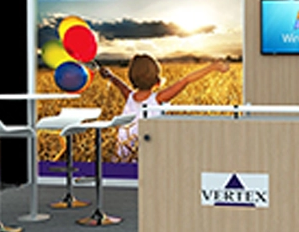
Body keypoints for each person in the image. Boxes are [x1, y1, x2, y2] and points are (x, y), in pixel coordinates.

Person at [98, 55, 229, 163]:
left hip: (122, 155)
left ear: (132, 77)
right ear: (156, 79)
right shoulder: (158, 99)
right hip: (146, 157)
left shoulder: (129, 96)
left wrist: (109, 75)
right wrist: (212, 67)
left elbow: (118, 83)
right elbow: (186, 80)